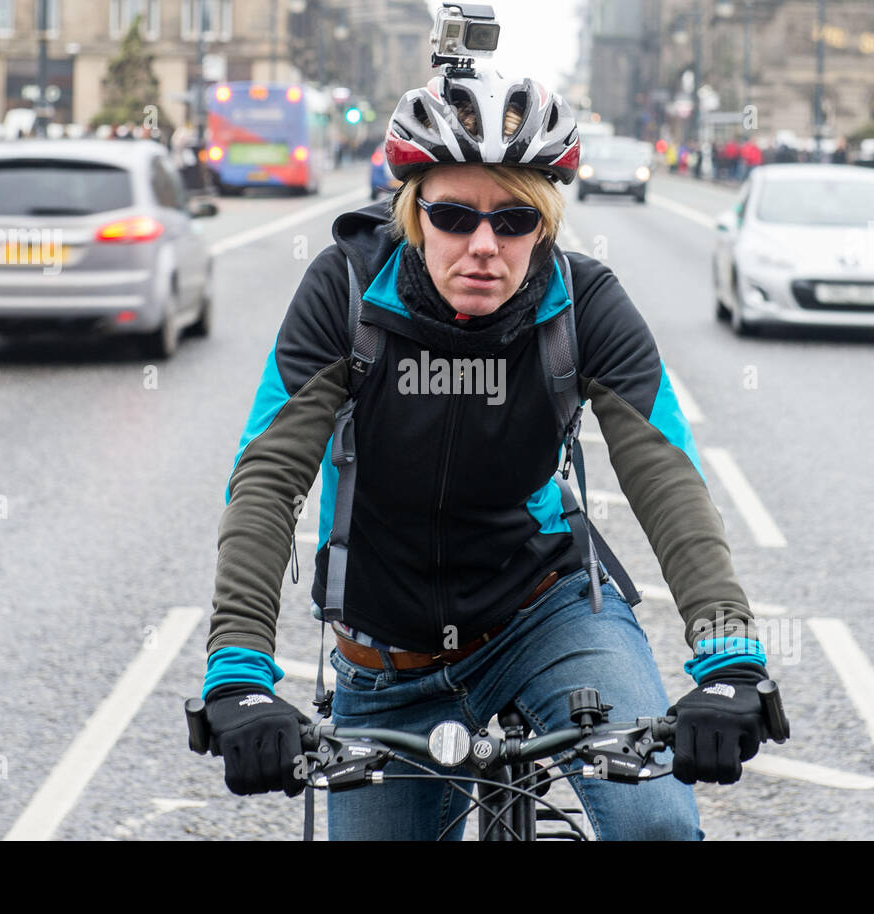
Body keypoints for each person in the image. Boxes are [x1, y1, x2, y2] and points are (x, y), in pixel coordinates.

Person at [197, 66, 778, 841]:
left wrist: (728, 655)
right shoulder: (346, 291)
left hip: (545, 614)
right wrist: (238, 669)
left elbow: (665, 474)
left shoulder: (585, 301)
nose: (483, 246)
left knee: (655, 825)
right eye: (453, 215)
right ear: (412, 213)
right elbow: (267, 477)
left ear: (543, 224)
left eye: (512, 221)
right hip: (386, 654)